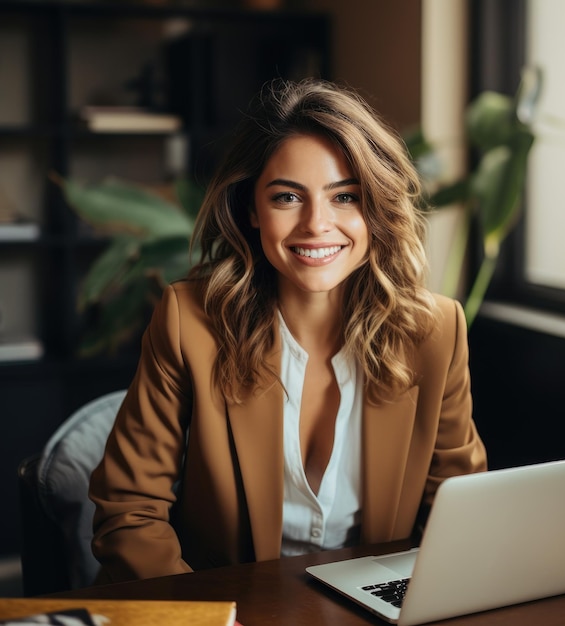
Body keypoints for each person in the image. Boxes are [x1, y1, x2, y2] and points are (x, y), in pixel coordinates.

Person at [88, 78, 487, 583]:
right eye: (287, 198)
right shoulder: (189, 321)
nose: (317, 224)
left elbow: (459, 512)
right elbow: (129, 512)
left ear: (376, 209)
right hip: (226, 610)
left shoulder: (436, 331)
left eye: (345, 196)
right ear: (251, 209)